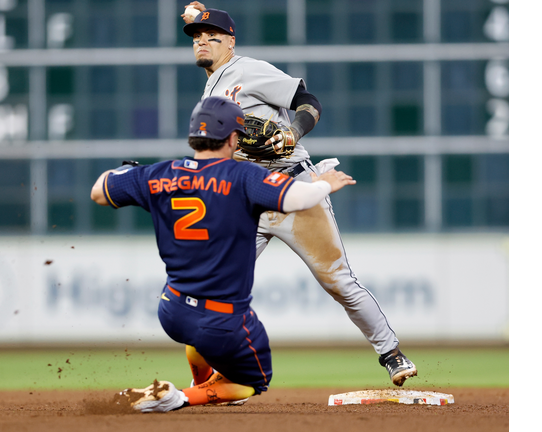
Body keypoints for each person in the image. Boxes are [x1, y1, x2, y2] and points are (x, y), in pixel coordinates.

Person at [180, 2, 417, 389]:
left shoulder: (248, 70)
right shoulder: (210, 91)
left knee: (338, 281)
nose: (202, 42)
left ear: (231, 42)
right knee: (213, 285)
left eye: (212, 37)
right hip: (249, 198)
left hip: (293, 187)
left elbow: (309, 102)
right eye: (197, 38)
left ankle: (391, 354)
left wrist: (294, 132)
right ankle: (221, 374)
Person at [91, 96, 357, 413]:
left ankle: (197, 383)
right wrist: (323, 183)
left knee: (197, 337)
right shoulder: (243, 176)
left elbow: (99, 190)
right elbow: (300, 198)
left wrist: (133, 175)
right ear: (233, 139)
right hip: (223, 319)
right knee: (252, 382)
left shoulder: (159, 174)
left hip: (172, 310)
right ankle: (179, 397)